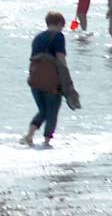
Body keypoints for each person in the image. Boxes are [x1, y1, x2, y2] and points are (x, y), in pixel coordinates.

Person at [22, 12, 78, 148]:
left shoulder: (37, 38)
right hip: (51, 81)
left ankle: (29, 135)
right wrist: (66, 79)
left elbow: (33, 60)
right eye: (62, 26)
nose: (62, 29)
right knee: (52, 110)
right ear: (59, 24)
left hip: (35, 79)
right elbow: (60, 58)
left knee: (42, 110)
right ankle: (47, 140)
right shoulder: (58, 36)